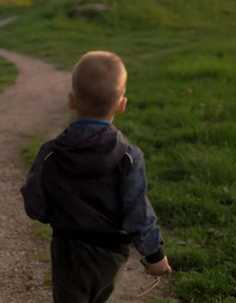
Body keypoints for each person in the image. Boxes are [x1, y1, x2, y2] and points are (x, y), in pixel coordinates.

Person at [20, 51, 172, 303]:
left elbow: (34, 202)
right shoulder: (128, 156)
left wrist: (49, 214)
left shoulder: (51, 152)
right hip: (110, 253)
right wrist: (156, 255)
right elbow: (138, 211)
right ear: (121, 105)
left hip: (66, 246)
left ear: (71, 100)